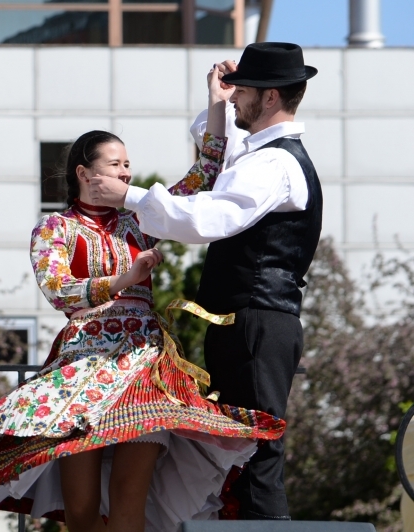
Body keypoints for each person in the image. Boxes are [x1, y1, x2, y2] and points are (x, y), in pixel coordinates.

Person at [0, 63, 285, 532]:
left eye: (127, 165)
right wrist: (125, 279)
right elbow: (59, 292)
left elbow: (205, 174)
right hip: (82, 368)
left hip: (143, 365)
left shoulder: (141, 216)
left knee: (127, 504)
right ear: (84, 172)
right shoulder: (54, 229)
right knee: (80, 511)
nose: (126, 171)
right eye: (116, 164)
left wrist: (218, 105)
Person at [87, 42, 322, 520]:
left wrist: (128, 196)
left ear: (271, 97)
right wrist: (218, 101)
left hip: (259, 321)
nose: (236, 99)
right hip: (246, 324)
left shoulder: (275, 163)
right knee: (237, 451)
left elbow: (208, 218)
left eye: (245, 92)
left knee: (256, 450)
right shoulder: (261, 155)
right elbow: (221, 148)